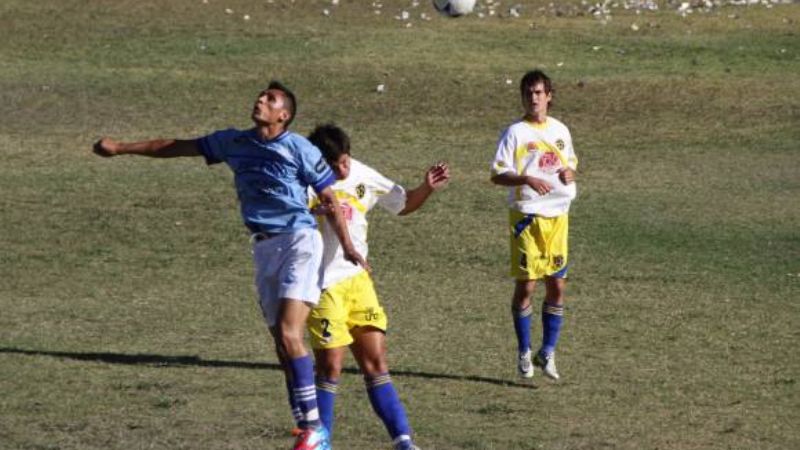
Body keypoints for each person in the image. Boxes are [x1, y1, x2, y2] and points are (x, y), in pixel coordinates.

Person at [92, 81, 368, 450]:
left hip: (299, 241)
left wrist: (348, 246)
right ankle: (310, 431)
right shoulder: (233, 142)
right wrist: (122, 148)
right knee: (281, 347)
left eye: (270, 99)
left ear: (283, 115)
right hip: (263, 247)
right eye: (260, 96)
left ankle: (316, 430)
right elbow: (174, 146)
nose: (260, 100)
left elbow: (329, 198)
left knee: (290, 334)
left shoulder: (299, 148)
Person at [303, 124, 449, 450]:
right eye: (335, 166)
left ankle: (404, 442)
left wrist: (425, 188)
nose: (344, 169)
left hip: (358, 282)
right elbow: (284, 220)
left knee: (376, 363)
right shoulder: (304, 183)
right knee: (331, 367)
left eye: (345, 161)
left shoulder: (362, 175)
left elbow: (403, 203)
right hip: (322, 286)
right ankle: (320, 443)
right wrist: (313, 211)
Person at [489, 70, 578, 381]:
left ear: (549, 95)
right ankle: (524, 349)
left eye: (539, 92)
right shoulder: (514, 133)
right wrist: (526, 178)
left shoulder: (560, 131)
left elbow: (570, 164)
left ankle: (548, 351)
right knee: (527, 285)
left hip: (558, 217)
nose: (534, 98)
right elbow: (497, 175)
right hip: (527, 217)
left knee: (557, 284)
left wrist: (569, 174)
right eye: (528, 93)